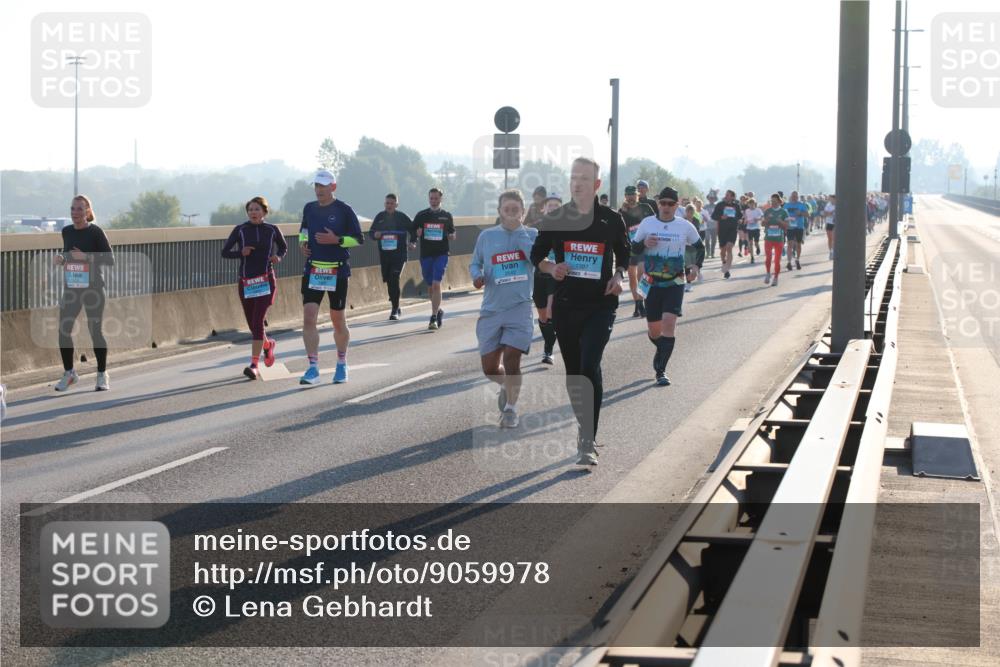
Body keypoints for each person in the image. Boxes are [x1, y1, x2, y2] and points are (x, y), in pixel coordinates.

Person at [530, 157, 629, 466]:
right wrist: (552, 267)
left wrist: (618, 276)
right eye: (574, 177)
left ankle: (587, 440)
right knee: (575, 375)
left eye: (585, 178)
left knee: (589, 365)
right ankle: (584, 429)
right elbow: (537, 255)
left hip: (601, 305)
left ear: (596, 184)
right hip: (566, 306)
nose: (578, 182)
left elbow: (625, 254)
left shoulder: (611, 219)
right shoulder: (557, 217)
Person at [470, 190, 538, 429]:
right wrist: (477, 276)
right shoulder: (487, 237)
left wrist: (520, 235)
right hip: (491, 309)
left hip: (520, 307)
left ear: (522, 211)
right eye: (506, 210)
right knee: (489, 367)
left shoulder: (531, 234)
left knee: (512, 358)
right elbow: (475, 262)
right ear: (499, 211)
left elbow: (536, 260)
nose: (511, 214)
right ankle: (505, 385)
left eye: (515, 210)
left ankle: (510, 409)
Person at [632, 187, 704, 386]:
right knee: (654, 331)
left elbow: (700, 247)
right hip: (651, 282)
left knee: (669, 324)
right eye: (662, 203)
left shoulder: (684, 226)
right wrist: (644, 242)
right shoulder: (647, 223)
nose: (665, 207)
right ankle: (661, 348)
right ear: (658, 204)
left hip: (675, 281)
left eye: (670, 204)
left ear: (677, 205)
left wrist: (696, 266)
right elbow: (633, 247)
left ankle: (661, 370)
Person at [298, 169, 364, 385]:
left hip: (337, 271)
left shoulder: (344, 210)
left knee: (338, 320)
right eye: (316, 185)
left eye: (323, 186)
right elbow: (304, 231)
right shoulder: (309, 208)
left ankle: (342, 363)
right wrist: (303, 244)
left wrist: (336, 240)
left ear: (333, 187)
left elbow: (358, 239)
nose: (319, 190)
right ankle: (313, 368)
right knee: (309, 318)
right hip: (314, 270)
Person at [52, 195, 115, 391]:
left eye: (79, 209)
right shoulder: (67, 231)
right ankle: (69, 373)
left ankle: (102, 374)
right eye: (73, 208)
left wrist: (86, 257)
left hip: (93, 289)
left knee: (95, 331)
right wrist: (62, 258)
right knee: (63, 331)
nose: (75, 213)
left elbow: (110, 259)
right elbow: (68, 253)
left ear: (87, 211)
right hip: (72, 287)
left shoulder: (95, 232)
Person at [221, 196, 288, 379]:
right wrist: (240, 253)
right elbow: (225, 252)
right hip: (246, 283)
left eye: (257, 209)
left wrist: (278, 257)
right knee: (253, 325)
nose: (253, 212)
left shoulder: (272, 230)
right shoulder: (240, 230)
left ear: (264, 212)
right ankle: (267, 345)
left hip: (266, 281)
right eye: (250, 209)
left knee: (258, 321)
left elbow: (283, 247)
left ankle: (254, 365)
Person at [411, 187, 456, 330]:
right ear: (428, 198)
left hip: (441, 254)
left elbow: (452, 232)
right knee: (430, 287)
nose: (434, 201)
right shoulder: (421, 215)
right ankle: (438, 310)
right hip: (426, 255)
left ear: (441, 199)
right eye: (431, 198)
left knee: (437, 284)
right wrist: (414, 238)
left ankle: (434, 316)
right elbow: (413, 231)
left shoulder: (447, 216)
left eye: (436, 198)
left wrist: (452, 236)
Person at [369, 193, 413, 320]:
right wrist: (375, 235)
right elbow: (371, 233)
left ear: (396, 205)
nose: (389, 205)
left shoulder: (402, 217)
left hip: (399, 255)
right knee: (389, 280)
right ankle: (395, 304)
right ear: (384, 204)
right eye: (387, 203)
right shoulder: (380, 217)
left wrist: (413, 241)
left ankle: (395, 309)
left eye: (392, 203)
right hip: (385, 255)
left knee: (394, 277)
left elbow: (413, 229)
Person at [533, 192, 563, 364]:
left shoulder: (568, 228)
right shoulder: (535, 228)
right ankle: (549, 341)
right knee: (543, 316)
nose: (553, 208)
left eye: (556, 206)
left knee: (551, 312)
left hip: (556, 276)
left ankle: (548, 351)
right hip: (540, 275)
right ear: (543, 208)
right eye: (550, 206)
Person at [619, 185, 655, 317]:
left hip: (645, 247)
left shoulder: (645, 208)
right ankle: (637, 304)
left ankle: (643, 300)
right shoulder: (622, 212)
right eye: (628, 195)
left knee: (642, 273)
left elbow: (655, 223)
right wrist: (622, 213)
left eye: (633, 195)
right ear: (625, 196)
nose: (631, 197)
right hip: (630, 247)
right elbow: (619, 232)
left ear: (637, 195)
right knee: (632, 277)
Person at [711, 189, 742, 278]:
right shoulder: (720, 205)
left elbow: (739, 215)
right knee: (723, 251)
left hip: (732, 229)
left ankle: (727, 269)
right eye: (726, 194)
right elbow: (713, 216)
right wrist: (721, 217)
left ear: (732, 197)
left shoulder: (736, 205)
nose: (726, 196)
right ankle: (724, 262)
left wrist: (739, 219)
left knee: (729, 247)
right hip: (722, 230)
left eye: (728, 195)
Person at [761, 193, 789, 286]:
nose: (773, 203)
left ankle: (776, 277)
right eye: (771, 201)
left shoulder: (784, 212)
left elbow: (787, 226)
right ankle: (768, 273)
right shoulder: (767, 211)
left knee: (777, 260)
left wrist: (780, 221)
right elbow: (763, 224)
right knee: (768, 258)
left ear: (779, 202)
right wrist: (766, 220)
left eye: (774, 201)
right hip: (768, 238)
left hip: (779, 239)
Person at [783, 191, 809, 270]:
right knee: (790, 244)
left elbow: (807, 215)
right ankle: (789, 262)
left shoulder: (801, 205)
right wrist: (785, 222)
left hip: (799, 227)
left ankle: (797, 260)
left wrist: (800, 213)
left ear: (798, 197)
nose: (794, 197)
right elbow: (782, 215)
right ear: (791, 196)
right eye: (793, 196)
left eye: (796, 196)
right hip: (790, 227)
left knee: (798, 244)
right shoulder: (786, 205)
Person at [743, 198, 763, 263]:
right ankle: (752, 257)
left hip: (756, 228)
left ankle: (758, 247)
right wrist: (745, 221)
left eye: (752, 204)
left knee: (756, 242)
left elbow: (762, 217)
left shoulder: (758, 210)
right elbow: (745, 218)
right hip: (749, 228)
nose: (751, 205)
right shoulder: (747, 211)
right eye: (750, 204)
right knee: (750, 243)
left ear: (755, 204)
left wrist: (757, 219)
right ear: (748, 204)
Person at [702, 192, 718, 259]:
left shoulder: (717, 206)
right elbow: (702, 214)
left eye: (712, 198)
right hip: (707, 226)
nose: (711, 199)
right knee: (707, 239)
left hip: (715, 225)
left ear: (714, 199)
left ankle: (712, 253)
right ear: (708, 199)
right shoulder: (705, 206)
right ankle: (708, 253)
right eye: (710, 198)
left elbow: (719, 215)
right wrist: (704, 218)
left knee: (714, 240)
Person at [824, 194, 836, 259]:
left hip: (835, 223)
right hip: (829, 222)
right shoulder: (828, 205)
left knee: (834, 238)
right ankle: (831, 251)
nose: (830, 200)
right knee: (829, 238)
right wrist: (832, 212)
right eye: (830, 198)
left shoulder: (838, 204)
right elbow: (825, 213)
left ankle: (834, 251)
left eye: (831, 198)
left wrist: (829, 213)